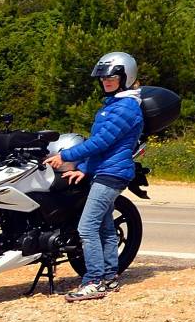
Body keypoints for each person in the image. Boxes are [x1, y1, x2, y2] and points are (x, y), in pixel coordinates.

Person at [45, 50, 144, 301]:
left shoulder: (126, 107)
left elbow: (101, 142)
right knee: (104, 227)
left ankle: (93, 281)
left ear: (126, 77)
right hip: (104, 170)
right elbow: (102, 146)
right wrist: (84, 168)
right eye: (103, 78)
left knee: (87, 227)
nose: (106, 81)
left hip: (112, 173)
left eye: (112, 77)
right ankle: (109, 278)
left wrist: (66, 156)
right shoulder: (114, 104)